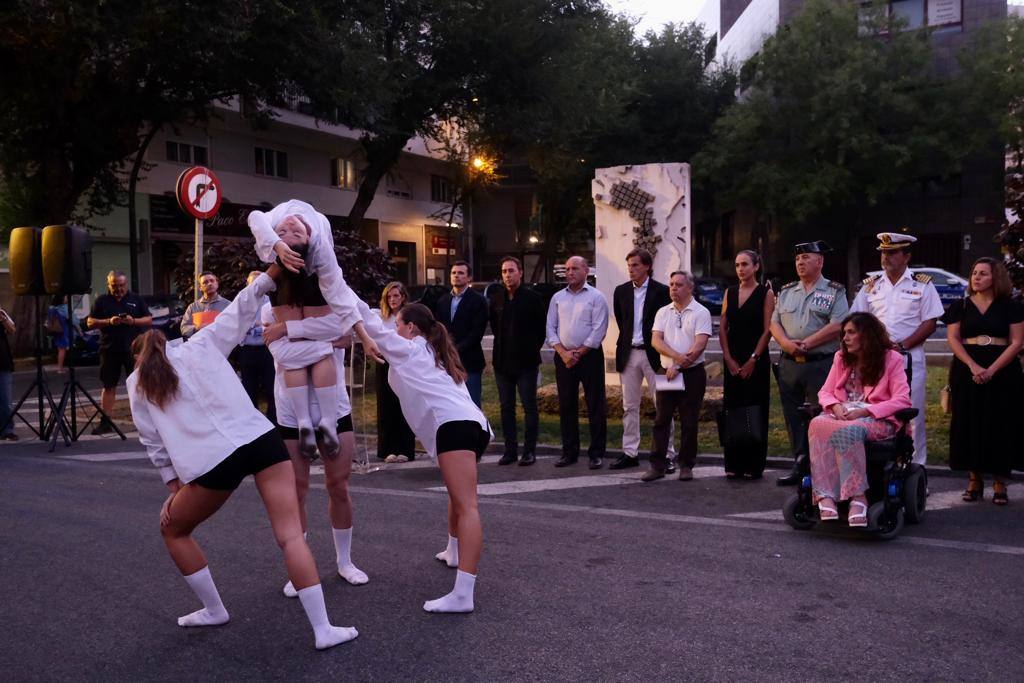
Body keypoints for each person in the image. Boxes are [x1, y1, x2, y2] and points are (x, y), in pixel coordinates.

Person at [127, 264, 358, 650]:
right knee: (289, 536)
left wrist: (175, 488)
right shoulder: (201, 344)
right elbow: (242, 307)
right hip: (259, 438)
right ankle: (323, 629)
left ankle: (214, 609)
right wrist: (272, 270)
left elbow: (154, 444)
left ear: (139, 358)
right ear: (168, 342)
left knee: (174, 529)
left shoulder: (137, 383)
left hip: (212, 463)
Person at [356, 300, 492, 613]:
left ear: (411, 328)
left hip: (454, 428)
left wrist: (331, 276)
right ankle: (453, 550)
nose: (395, 330)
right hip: (474, 427)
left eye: (399, 325)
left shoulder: (414, 349)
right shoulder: (435, 351)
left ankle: (463, 595)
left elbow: (367, 318)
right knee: (458, 496)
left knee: (467, 506)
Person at [261, 297, 369, 596]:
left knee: (339, 485)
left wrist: (290, 330)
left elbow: (347, 336)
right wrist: (324, 342)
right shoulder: (268, 308)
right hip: (290, 412)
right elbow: (282, 353)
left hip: (334, 409)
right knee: (297, 490)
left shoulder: (334, 301)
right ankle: (301, 566)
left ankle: (345, 562)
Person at [808, 313, 912, 526]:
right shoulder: (840, 358)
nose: (845, 338)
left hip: (876, 419)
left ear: (867, 335)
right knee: (816, 423)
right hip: (843, 413)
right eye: (844, 333)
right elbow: (825, 392)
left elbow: (902, 400)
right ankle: (824, 494)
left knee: (849, 429)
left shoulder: (892, 359)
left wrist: (866, 412)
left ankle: (858, 496)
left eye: (851, 333)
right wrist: (836, 406)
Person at [851, 233, 943, 465]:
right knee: (873, 410)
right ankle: (879, 466)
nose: (886, 257)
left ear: (906, 256)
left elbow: (930, 322)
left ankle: (915, 470)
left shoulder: (922, 285)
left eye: (892, 253)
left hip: (908, 358)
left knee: (912, 416)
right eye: (883, 252)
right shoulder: (871, 286)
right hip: (876, 359)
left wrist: (902, 345)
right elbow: (858, 319)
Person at [943, 257, 1024, 506]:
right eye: (974, 273)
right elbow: (954, 339)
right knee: (969, 421)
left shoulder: (1011, 306)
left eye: (983, 274)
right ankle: (974, 478)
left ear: (996, 278)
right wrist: (974, 366)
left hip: (1003, 370)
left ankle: (1000, 481)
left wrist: (992, 369)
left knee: (1001, 422)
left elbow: (1018, 342)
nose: (976, 277)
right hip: (967, 368)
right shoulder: (961, 306)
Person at [770, 241, 849, 485]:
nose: (800, 263)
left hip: (821, 363)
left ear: (820, 262)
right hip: (790, 363)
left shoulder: (835, 291)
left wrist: (806, 343)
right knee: (793, 416)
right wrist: (785, 343)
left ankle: (824, 468)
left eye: (805, 258)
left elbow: (838, 324)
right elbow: (774, 323)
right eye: (797, 259)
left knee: (822, 415)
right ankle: (801, 464)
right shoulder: (787, 291)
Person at [642, 271, 712, 483]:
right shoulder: (663, 312)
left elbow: (699, 345)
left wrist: (680, 366)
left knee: (689, 421)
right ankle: (657, 465)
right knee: (661, 420)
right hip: (668, 373)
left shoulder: (701, 312)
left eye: (679, 285)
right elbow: (656, 341)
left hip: (692, 374)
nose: (673, 288)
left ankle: (686, 465)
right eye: (671, 284)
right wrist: (676, 360)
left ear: (689, 288)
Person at [610, 248, 675, 471]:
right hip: (629, 353)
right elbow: (622, 321)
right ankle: (630, 452)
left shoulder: (663, 291)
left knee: (663, 406)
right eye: (629, 265)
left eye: (636, 265)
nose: (631, 269)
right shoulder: (621, 292)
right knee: (629, 406)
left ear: (647, 266)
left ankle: (666, 455)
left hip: (657, 356)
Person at [546, 256, 609, 469]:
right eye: (567, 269)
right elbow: (550, 328)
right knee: (566, 405)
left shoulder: (597, 297)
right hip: (563, 358)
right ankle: (569, 452)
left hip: (589, 356)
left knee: (595, 405)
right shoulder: (557, 298)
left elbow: (599, 329)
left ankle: (596, 453)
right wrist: (563, 352)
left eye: (574, 268)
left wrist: (578, 353)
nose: (570, 272)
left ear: (586, 271)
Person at [719, 250, 775, 479]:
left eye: (745, 264)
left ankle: (754, 465)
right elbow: (722, 327)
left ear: (756, 267)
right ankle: (734, 463)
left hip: (756, 360)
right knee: (733, 409)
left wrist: (754, 358)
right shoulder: (729, 292)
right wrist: (728, 358)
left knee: (755, 409)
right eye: (737, 265)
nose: (740, 269)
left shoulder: (766, 293)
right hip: (732, 359)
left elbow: (767, 330)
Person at [489, 256, 546, 466]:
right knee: (506, 407)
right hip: (502, 363)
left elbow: (541, 330)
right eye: (504, 271)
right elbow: (495, 327)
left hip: (526, 363)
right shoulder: (496, 298)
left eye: (511, 271)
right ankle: (510, 450)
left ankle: (529, 451)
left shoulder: (533, 298)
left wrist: (529, 348)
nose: (507, 275)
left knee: (529, 407)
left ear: (520, 272)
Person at [86, 270, 152, 435]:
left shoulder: (136, 299)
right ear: (109, 284)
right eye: (115, 286)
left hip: (134, 350)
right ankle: (105, 421)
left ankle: (145, 421)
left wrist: (133, 321)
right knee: (109, 385)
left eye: (121, 286)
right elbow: (90, 322)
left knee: (139, 385)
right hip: (110, 349)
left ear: (126, 284)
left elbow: (149, 319)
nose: (119, 289)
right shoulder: (102, 300)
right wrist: (109, 321)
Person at [434, 261, 488, 408]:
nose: (456, 276)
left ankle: (476, 430)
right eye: (454, 273)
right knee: (450, 403)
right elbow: (439, 329)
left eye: (461, 273)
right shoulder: (443, 301)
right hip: (446, 361)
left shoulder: (478, 301)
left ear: (469, 277)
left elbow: (476, 333)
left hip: (469, 361)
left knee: (472, 403)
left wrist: (454, 350)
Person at [376, 282, 417, 463]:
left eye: (396, 296)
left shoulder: (409, 316)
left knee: (404, 405)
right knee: (386, 406)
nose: (392, 300)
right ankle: (387, 449)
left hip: (404, 364)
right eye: (389, 297)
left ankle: (405, 449)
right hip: (384, 363)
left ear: (403, 297)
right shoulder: (380, 317)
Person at [238, 271, 277, 424]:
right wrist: (258, 326)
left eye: (259, 282)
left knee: (272, 387)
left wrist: (253, 327)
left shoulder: (272, 303)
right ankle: (253, 424)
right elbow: (238, 326)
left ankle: (273, 423)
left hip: (267, 350)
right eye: (252, 283)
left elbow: (274, 326)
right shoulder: (241, 303)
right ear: (247, 284)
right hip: (247, 351)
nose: (256, 286)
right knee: (249, 389)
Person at [180, 271, 231, 338]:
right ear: (200, 287)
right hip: (198, 346)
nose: (209, 284)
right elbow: (184, 328)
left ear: (217, 284)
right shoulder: (193, 307)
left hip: (221, 346)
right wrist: (196, 328)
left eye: (212, 281)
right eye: (205, 282)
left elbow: (233, 326)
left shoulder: (228, 305)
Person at [0, 306, 17, 440]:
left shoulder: (2, 313)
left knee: (5, 400)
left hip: (3, 362)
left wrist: (4, 319)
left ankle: (7, 429)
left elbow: (12, 329)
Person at [47, 295, 75, 374]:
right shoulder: (61, 309)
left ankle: (60, 367)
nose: (67, 298)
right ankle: (60, 368)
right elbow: (68, 319)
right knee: (62, 349)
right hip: (62, 330)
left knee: (60, 349)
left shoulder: (51, 308)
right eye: (65, 297)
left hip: (57, 330)